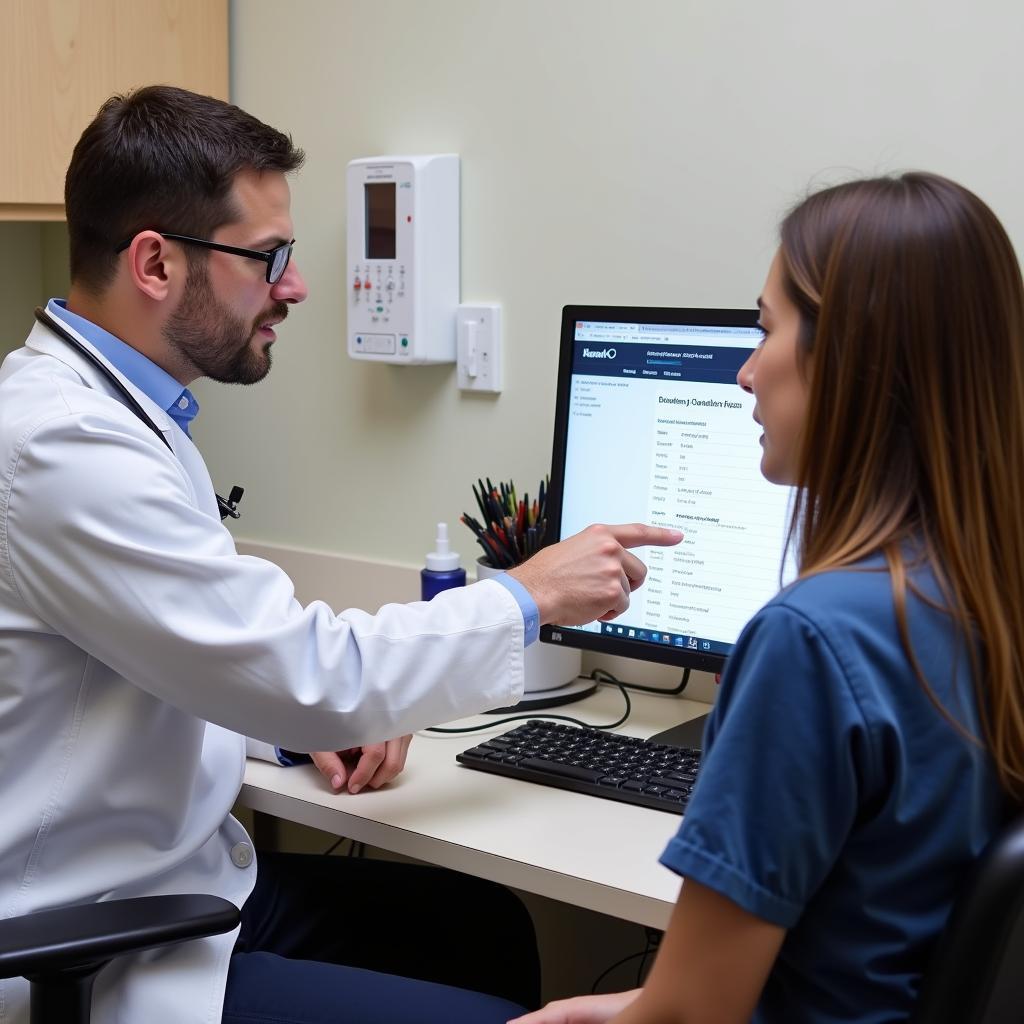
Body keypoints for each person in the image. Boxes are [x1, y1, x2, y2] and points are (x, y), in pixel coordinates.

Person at [0, 85, 682, 1024]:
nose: (296, 286)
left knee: (482, 928)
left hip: (172, 893)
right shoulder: (64, 446)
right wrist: (526, 597)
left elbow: (159, 660)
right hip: (88, 940)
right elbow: (297, 668)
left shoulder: (109, 413)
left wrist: (288, 728)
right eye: (269, 256)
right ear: (155, 262)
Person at [511, 171, 1024, 1024]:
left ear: (852, 358)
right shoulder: (986, 595)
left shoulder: (814, 640)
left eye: (765, 329)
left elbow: (689, 1020)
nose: (745, 374)